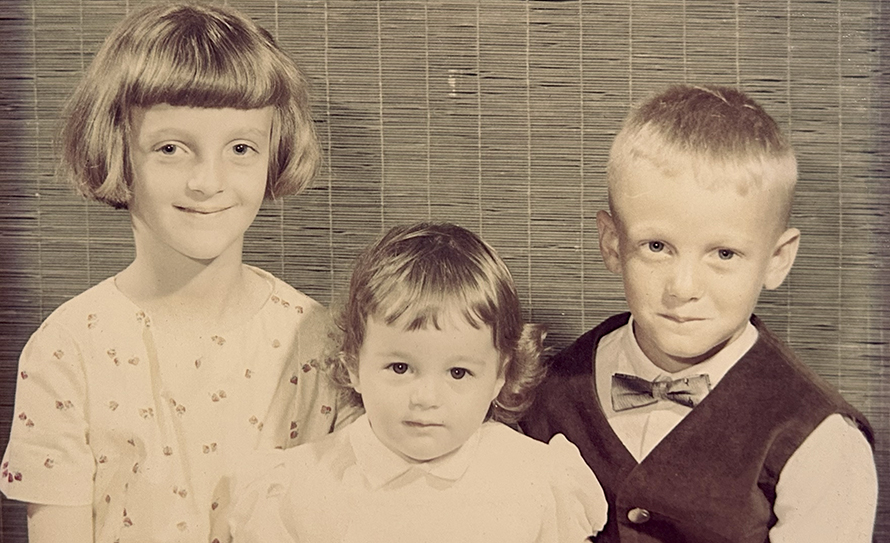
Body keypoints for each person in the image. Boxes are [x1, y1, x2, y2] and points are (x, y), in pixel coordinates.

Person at [0, 3, 356, 543]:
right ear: (117, 150)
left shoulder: (321, 342)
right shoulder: (66, 350)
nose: (207, 181)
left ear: (274, 153)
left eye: (240, 148)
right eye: (171, 148)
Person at [520, 84, 878, 542]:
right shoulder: (543, 393)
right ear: (612, 243)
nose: (683, 288)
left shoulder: (822, 442)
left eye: (724, 254)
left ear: (777, 259)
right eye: (657, 247)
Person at [227, 222, 608, 542]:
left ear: (499, 375)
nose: (425, 398)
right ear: (354, 364)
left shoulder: (535, 480)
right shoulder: (300, 488)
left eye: (458, 373)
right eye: (400, 368)